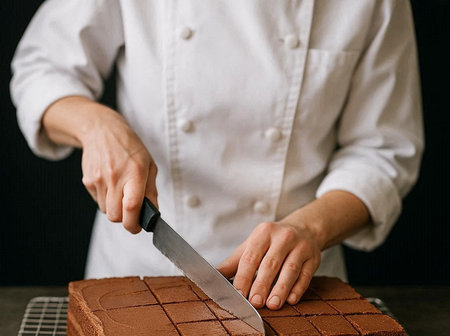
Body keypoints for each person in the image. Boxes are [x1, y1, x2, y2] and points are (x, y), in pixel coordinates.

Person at [11, 0, 423, 310]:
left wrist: (312, 229)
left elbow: (382, 150)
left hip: (292, 288)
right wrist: (95, 124)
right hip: (139, 272)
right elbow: (41, 68)